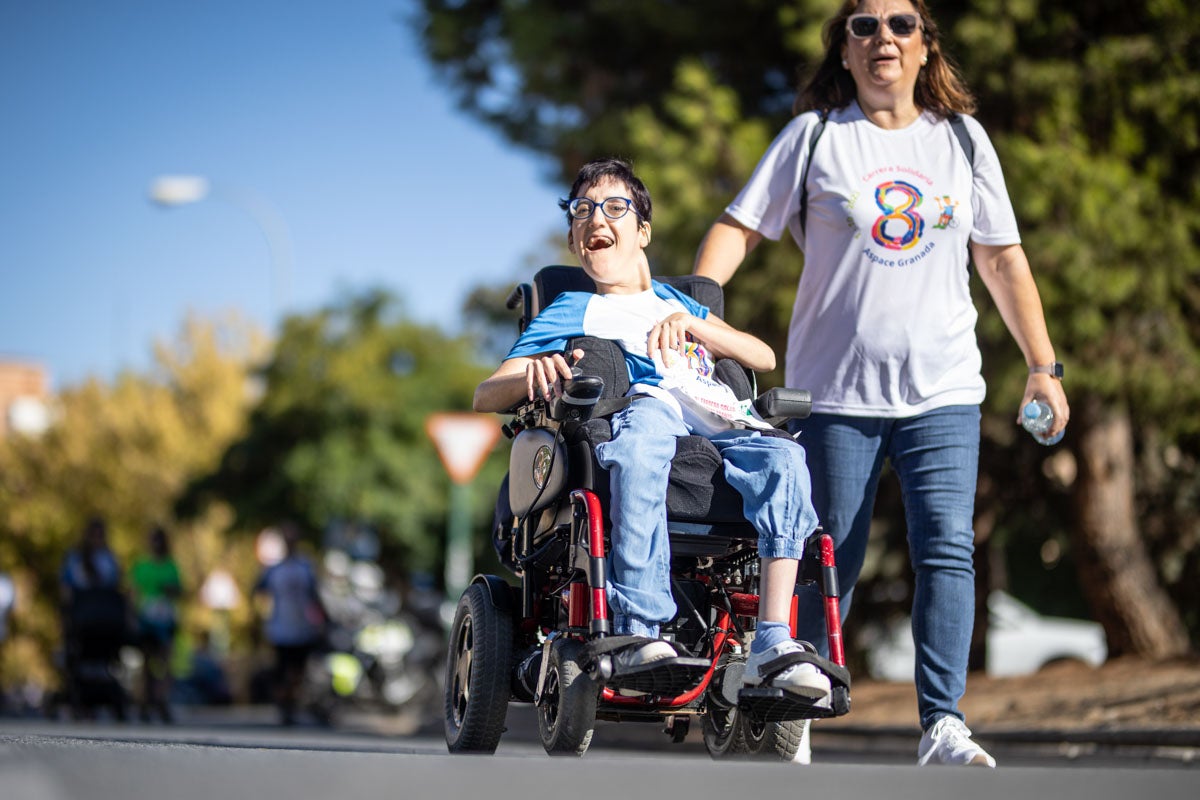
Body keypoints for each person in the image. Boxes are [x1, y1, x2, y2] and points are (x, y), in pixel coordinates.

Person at [693, 0, 1070, 768]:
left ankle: (944, 724)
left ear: (926, 46)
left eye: (901, 24)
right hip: (835, 392)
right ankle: (793, 711)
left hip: (944, 389)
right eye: (863, 26)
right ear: (844, 50)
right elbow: (738, 227)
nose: (883, 38)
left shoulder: (963, 140)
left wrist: (1043, 365)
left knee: (948, 552)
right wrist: (695, 315)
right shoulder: (817, 138)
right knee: (828, 555)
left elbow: (1001, 259)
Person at [474, 158, 831, 709]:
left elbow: (762, 355)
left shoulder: (679, 302)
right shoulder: (575, 306)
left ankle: (771, 642)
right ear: (575, 241)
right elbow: (485, 394)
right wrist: (532, 371)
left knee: (785, 460)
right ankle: (640, 624)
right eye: (583, 211)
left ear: (641, 231)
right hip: (649, 406)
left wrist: (696, 324)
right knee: (641, 443)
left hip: (718, 414)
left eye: (615, 207)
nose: (598, 218)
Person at [252, 522, 328, 725]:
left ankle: (290, 702)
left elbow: (315, 595)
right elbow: (257, 590)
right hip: (280, 627)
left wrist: (323, 619)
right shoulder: (273, 569)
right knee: (281, 669)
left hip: (302, 627)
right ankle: (283, 705)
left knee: (298, 671)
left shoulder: (305, 566)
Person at [59, 517, 129, 719]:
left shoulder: (109, 559)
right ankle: (80, 699)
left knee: (106, 656)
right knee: (78, 656)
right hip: (83, 617)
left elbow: (117, 587)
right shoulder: (75, 558)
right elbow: (66, 588)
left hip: (106, 619)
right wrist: (66, 614)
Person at [130, 525, 182, 722]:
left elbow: (178, 591)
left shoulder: (171, 566)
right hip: (146, 619)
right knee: (145, 663)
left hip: (166, 620)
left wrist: (171, 590)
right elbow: (133, 593)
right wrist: (133, 617)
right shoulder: (141, 566)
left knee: (165, 662)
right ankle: (144, 702)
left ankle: (161, 700)